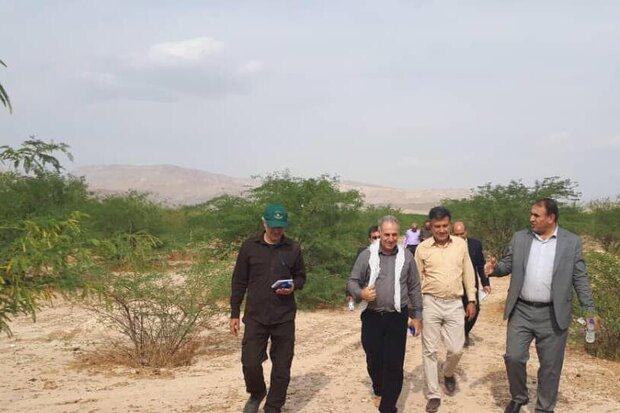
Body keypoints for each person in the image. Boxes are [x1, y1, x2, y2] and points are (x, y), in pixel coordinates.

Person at [484, 198, 599, 413]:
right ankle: (519, 397)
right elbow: (507, 264)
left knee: (550, 366)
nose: (531, 219)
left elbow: (580, 278)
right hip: (521, 310)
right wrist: (495, 269)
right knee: (514, 357)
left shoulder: (571, 242)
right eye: (531, 214)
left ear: (551, 218)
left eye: (536, 215)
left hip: (553, 313)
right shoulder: (520, 238)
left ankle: (544, 408)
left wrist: (589, 310)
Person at [229, 204, 306, 413]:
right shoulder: (249, 247)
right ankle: (257, 392)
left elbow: (301, 277)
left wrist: (293, 285)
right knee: (250, 362)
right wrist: (234, 312)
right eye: (273, 226)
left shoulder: (293, 248)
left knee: (282, 366)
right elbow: (239, 281)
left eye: (280, 227)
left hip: (284, 316)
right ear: (264, 223)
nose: (276, 230)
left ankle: (273, 407)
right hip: (256, 315)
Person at [347, 215, 423, 413]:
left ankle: (388, 406)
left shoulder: (407, 257)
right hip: (372, 316)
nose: (390, 239)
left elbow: (414, 287)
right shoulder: (367, 255)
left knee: (394, 362)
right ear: (380, 233)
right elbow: (352, 281)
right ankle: (379, 388)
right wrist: (361, 293)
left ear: (399, 235)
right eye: (387, 234)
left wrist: (417, 316)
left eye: (394, 235)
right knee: (374, 359)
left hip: (397, 316)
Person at [414, 207, 477, 413]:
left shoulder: (460, 245)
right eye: (437, 226)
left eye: (444, 226)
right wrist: (416, 310)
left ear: (449, 224)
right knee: (429, 350)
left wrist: (472, 299)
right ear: (430, 226)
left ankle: (448, 372)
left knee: (457, 349)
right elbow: (416, 279)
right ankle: (433, 394)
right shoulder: (422, 248)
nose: (441, 230)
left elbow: (468, 272)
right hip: (430, 302)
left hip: (454, 303)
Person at [452, 221, 491, 346]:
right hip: (455, 283)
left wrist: (485, 283)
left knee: (475, 309)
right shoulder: (449, 245)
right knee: (457, 310)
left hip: (471, 283)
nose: (459, 237)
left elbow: (480, 265)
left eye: (461, 233)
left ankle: (465, 332)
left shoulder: (475, 244)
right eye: (456, 234)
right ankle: (458, 335)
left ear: (466, 232)